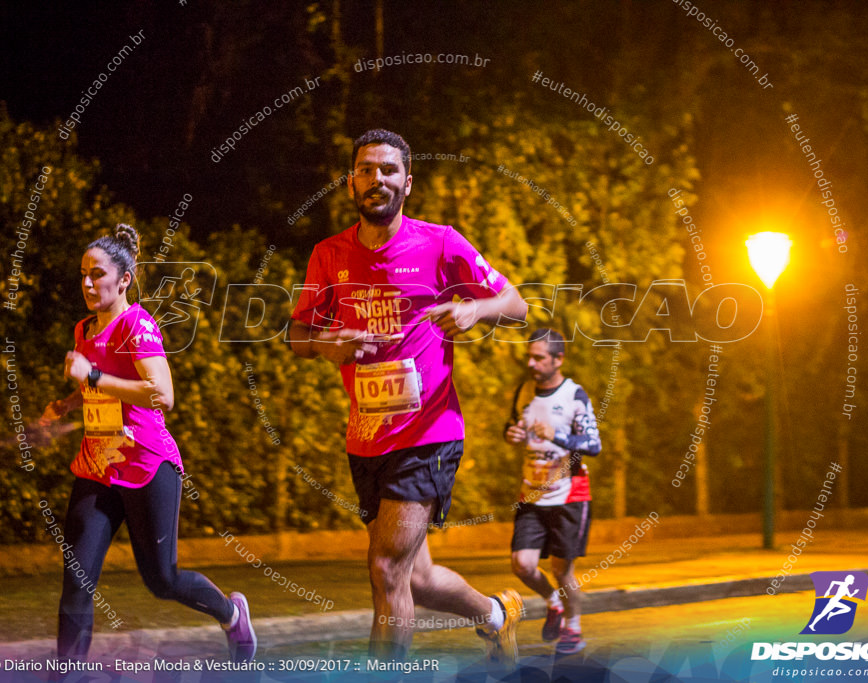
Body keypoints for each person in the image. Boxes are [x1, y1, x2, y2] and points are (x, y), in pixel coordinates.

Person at [288, 129, 528, 666]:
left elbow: (516, 304)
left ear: (407, 182)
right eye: (367, 169)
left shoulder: (440, 242)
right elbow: (297, 336)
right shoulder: (328, 256)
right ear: (351, 181)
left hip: (430, 433)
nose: (378, 179)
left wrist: (474, 310)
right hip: (367, 437)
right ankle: (496, 614)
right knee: (415, 577)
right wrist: (330, 345)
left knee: (386, 570)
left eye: (389, 170)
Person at [40, 224, 256, 663]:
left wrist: (94, 377)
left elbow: (162, 394)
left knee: (162, 581)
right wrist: (66, 404)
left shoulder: (138, 325)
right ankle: (68, 674)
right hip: (97, 466)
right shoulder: (83, 330)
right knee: (77, 576)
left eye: (97, 274)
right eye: (82, 273)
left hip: (146, 466)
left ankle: (233, 616)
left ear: (123, 280)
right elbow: (99, 391)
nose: (86, 282)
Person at [505, 328, 601, 655]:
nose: (531, 363)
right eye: (529, 356)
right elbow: (512, 426)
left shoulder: (575, 395)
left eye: (539, 357)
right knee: (522, 564)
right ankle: (552, 601)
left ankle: (573, 629)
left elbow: (593, 445)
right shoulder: (524, 391)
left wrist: (557, 436)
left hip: (569, 493)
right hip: (532, 493)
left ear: (559, 359)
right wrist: (513, 434)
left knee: (562, 570)